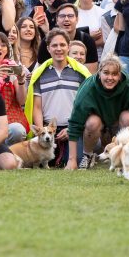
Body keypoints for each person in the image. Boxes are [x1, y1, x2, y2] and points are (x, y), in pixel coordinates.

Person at [65, 54, 129, 170]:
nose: (110, 78)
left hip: (119, 123)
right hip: (96, 125)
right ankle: (88, 155)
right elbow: (75, 123)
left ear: (120, 75)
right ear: (99, 72)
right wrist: (72, 160)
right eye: (106, 73)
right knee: (92, 122)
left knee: (128, 118)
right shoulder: (88, 89)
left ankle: (127, 157)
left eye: (114, 74)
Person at [25, 28, 91, 166]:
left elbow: (86, 106)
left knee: (75, 162)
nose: (59, 49)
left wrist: (71, 128)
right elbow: (36, 107)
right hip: (48, 130)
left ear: (68, 46)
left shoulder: (80, 73)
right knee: (41, 162)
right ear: (48, 48)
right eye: (54, 45)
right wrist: (42, 132)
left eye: (62, 45)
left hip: (72, 127)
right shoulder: (40, 73)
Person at [0, 31, 30, 145]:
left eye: (3, 45)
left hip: (10, 119)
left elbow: (22, 101)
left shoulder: (12, 68)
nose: (0, 48)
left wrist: (21, 80)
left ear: (7, 50)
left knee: (17, 130)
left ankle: (7, 155)